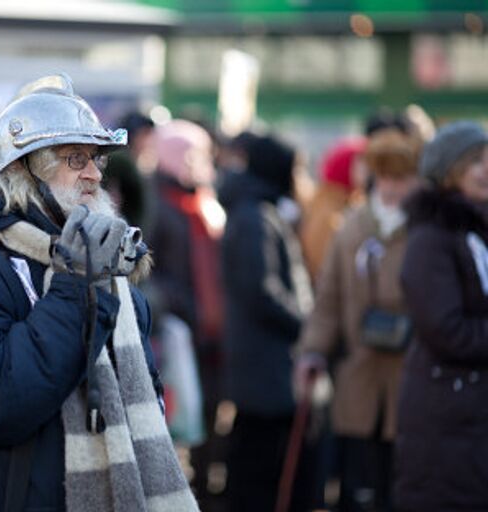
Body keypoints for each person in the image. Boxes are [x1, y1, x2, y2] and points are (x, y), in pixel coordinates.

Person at [0, 74, 197, 512]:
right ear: (24, 169)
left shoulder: (103, 265)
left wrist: (88, 278)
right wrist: (76, 286)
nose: (95, 174)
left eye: (97, 159)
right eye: (76, 159)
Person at [296, 128, 421, 512]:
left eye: (401, 178)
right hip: (359, 370)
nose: (392, 188)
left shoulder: (424, 228)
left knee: (403, 483)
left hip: (410, 373)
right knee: (358, 484)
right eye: (385, 177)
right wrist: (312, 351)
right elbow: (328, 299)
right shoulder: (352, 226)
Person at [394, 121, 488, 512]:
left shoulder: (474, 231)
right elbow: (447, 330)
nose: (486, 170)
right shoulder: (431, 238)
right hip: (448, 418)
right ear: (449, 172)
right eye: (475, 161)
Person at [219, 134, 315, 512]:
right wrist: (307, 326)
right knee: (257, 468)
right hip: (265, 366)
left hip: (264, 363)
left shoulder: (259, 210)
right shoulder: (254, 216)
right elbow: (263, 292)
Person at [145, 119, 227, 510]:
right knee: (178, 420)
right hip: (177, 333)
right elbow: (148, 271)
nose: (199, 162)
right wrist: (182, 305)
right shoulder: (155, 202)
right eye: (190, 154)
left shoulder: (206, 201)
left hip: (212, 335)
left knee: (209, 416)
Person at [300, 137, 367, 281]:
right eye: (362, 164)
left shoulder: (345, 203)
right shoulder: (330, 215)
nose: (369, 170)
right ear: (346, 168)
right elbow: (324, 269)